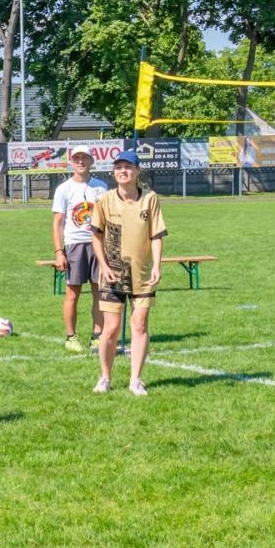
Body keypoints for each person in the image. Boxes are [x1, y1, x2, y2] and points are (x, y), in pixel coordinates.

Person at [89, 150, 167, 396]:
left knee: (140, 324)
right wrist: (103, 265)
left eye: (128, 167)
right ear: (114, 172)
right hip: (113, 272)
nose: (123, 171)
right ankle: (105, 377)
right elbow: (96, 235)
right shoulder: (104, 200)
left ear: (137, 171)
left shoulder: (150, 199)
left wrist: (156, 264)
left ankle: (136, 379)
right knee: (110, 328)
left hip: (142, 273)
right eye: (119, 167)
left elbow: (156, 235)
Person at [51, 145, 109, 353]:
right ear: (71, 161)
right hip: (74, 245)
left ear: (91, 161)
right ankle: (70, 336)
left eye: (85, 158)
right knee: (72, 294)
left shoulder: (101, 187)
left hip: (98, 244)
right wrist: (59, 252)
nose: (81, 162)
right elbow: (57, 222)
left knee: (99, 292)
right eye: (77, 158)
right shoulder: (63, 189)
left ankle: (97, 336)